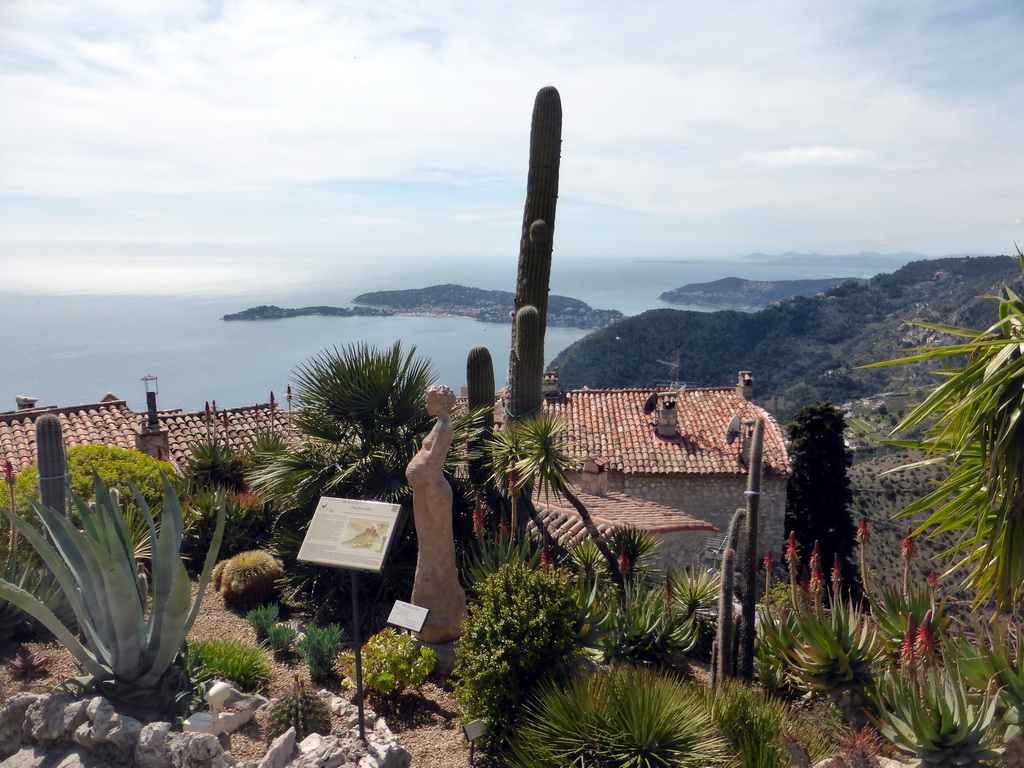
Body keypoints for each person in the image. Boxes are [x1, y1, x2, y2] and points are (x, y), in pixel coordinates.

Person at [407, 385, 465, 643]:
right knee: (427, 548)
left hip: (434, 491)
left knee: (437, 547)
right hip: (424, 489)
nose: (425, 403)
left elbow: (433, 462)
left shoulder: (445, 427)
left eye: (429, 399)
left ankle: (443, 615)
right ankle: (428, 613)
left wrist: (417, 475)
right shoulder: (439, 424)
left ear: (440, 403)